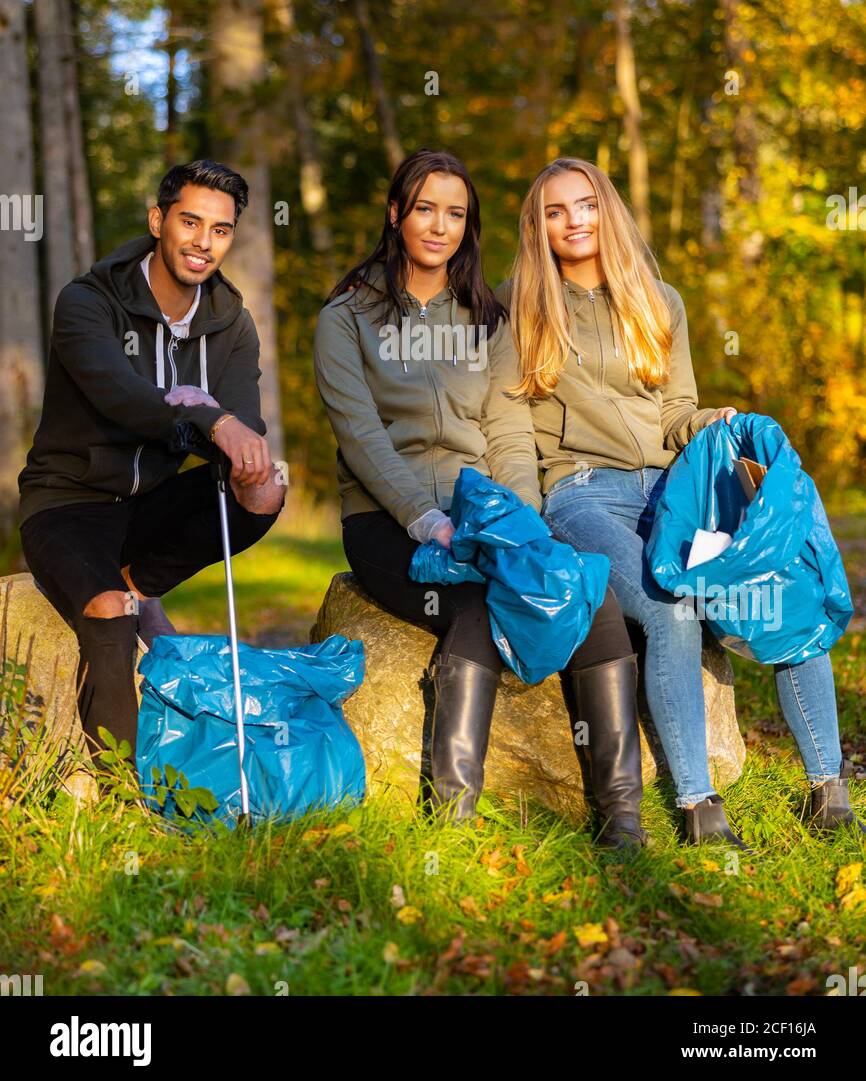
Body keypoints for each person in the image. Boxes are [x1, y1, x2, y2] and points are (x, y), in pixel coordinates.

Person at [499, 156, 865, 846]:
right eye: (555, 211)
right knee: (672, 607)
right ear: (537, 227)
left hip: (672, 491)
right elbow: (513, 434)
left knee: (782, 588)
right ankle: (699, 807)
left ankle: (829, 791)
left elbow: (676, 413)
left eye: (585, 204)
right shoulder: (515, 305)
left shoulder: (658, 299)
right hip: (581, 497)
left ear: (607, 209)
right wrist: (525, 521)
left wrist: (712, 425)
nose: (574, 220)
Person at [314, 148, 646, 844]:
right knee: (471, 607)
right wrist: (423, 518)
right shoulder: (345, 318)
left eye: (456, 214)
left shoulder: (486, 319)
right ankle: (452, 824)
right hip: (387, 521)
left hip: (485, 514)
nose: (440, 227)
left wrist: (522, 522)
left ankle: (620, 823)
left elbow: (508, 432)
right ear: (396, 213)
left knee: (591, 599)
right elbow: (362, 440)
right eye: (426, 209)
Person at [19, 159, 286, 783]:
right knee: (109, 608)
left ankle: (143, 579)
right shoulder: (89, 299)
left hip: (152, 504)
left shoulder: (229, 322)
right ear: (158, 220)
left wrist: (229, 430)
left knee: (265, 489)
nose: (203, 242)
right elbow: (120, 395)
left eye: (220, 230)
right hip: (69, 503)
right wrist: (210, 420)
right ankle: (119, 793)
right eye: (190, 222)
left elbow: (244, 421)